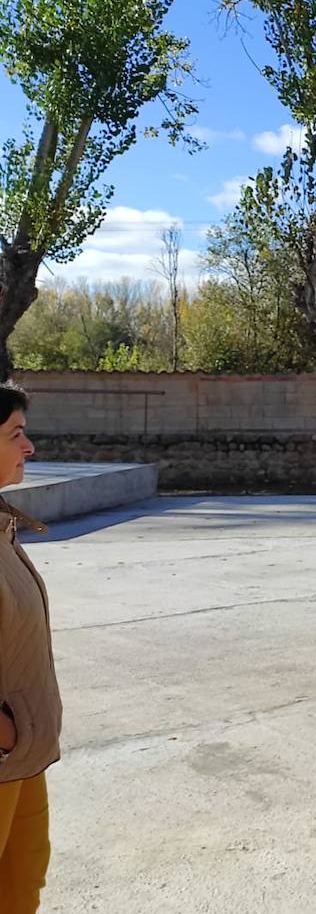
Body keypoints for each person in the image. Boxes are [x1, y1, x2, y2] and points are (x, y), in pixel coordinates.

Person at [0, 383, 60, 914]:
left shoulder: (1, 526)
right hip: (5, 747)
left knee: (22, 884)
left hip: (21, 756)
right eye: (16, 434)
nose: (30, 447)